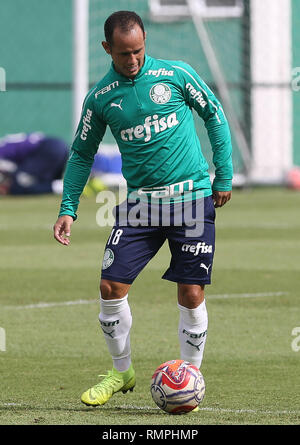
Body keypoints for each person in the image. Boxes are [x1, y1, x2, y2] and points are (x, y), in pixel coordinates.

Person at [53, 10, 233, 409]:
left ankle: (190, 378)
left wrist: (224, 175)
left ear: (145, 41)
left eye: (137, 51)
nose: (132, 60)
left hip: (190, 199)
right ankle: (121, 371)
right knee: (110, 288)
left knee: (190, 291)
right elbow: (82, 153)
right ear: (107, 49)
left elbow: (214, 115)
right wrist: (68, 207)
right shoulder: (101, 98)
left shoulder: (176, 74)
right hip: (141, 207)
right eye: (122, 54)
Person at [0, 132, 69, 195]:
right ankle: (64, 186)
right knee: (43, 182)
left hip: (47, 150)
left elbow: (12, 170)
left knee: (18, 186)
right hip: (59, 145)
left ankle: (63, 187)